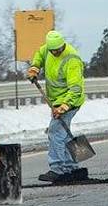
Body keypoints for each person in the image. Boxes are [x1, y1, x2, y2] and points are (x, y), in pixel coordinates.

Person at [25, 30, 87, 183]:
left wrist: (64, 106)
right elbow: (40, 54)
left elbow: (75, 89)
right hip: (56, 100)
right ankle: (71, 167)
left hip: (71, 100)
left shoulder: (72, 59)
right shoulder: (48, 49)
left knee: (55, 132)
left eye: (58, 50)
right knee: (63, 134)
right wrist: (35, 67)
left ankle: (58, 169)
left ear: (62, 45)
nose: (55, 52)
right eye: (53, 50)